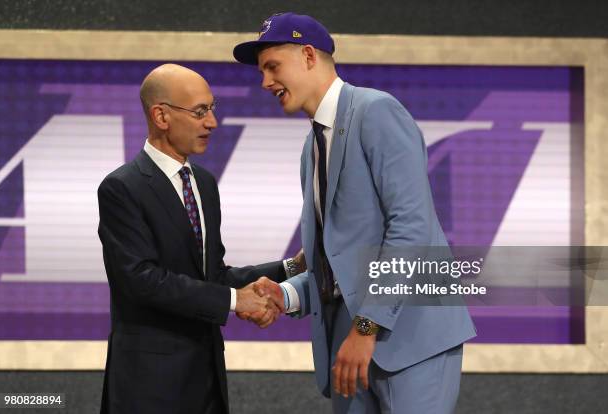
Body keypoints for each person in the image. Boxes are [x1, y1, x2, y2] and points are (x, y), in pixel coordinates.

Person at [233, 13, 477, 413]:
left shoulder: (376, 111)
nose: (265, 83)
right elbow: (339, 262)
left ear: (309, 55)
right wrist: (288, 294)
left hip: (409, 338)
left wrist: (367, 327)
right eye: (262, 72)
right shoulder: (309, 150)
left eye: (272, 67)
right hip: (348, 345)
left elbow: (411, 230)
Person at [97, 63, 304, 414]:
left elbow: (213, 276)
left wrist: (290, 267)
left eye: (212, 108)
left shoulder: (204, 184)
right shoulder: (122, 188)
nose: (212, 122)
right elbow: (141, 281)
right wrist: (236, 301)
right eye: (200, 111)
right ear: (161, 116)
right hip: (149, 386)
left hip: (207, 380)